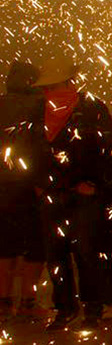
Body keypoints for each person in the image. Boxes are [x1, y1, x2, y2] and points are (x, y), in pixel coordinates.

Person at [35, 54, 112, 331]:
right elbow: (30, 150)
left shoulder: (91, 107)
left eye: (53, 86)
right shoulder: (38, 111)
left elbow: (106, 149)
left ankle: (93, 307)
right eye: (46, 88)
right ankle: (64, 307)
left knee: (87, 252)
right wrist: (40, 183)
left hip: (87, 194)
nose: (49, 92)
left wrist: (96, 185)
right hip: (53, 194)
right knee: (56, 254)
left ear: (67, 82)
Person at [0, 61, 46, 319]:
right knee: (35, 245)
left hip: (1, 187)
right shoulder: (37, 106)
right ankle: (29, 303)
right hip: (29, 185)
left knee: (4, 245)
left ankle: (3, 303)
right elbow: (41, 145)